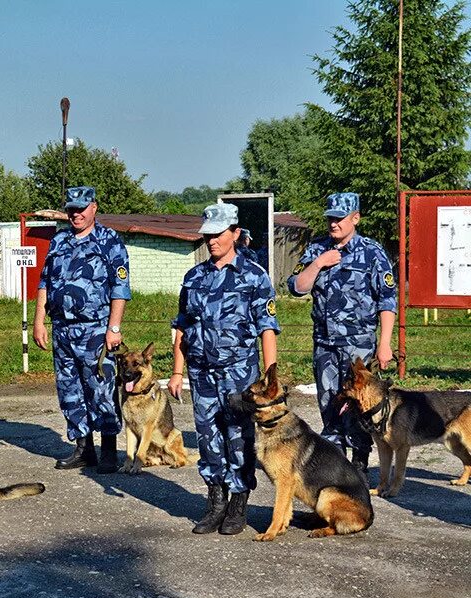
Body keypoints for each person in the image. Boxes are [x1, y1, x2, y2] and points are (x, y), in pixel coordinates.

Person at [169, 203, 279, 535]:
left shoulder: (254, 275)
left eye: (218, 234)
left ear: (234, 233)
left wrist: (271, 379)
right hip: (202, 373)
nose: (211, 241)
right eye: (207, 235)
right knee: (207, 438)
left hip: (239, 375)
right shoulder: (194, 277)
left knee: (239, 438)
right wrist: (177, 371)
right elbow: (183, 328)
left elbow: (267, 328)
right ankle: (216, 502)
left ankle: (238, 503)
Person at [287, 192, 396, 472]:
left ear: (355, 218)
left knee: (359, 405)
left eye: (339, 218)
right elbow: (297, 287)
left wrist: (384, 344)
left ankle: (359, 467)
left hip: (358, 345)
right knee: (329, 403)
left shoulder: (372, 252)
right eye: (330, 219)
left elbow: (387, 300)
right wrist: (319, 262)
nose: (333, 224)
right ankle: (336, 468)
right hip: (325, 344)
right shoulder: (317, 250)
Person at [33, 186, 131, 474]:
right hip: (63, 328)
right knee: (70, 390)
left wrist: (114, 327)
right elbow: (44, 282)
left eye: (81, 208)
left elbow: (120, 288)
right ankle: (83, 448)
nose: (76, 214)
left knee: (101, 389)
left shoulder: (109, 241)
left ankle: (109, 449)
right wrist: (39, 320)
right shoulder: (59, 241)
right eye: (71, 209)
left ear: (94, 208)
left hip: (95, 330)